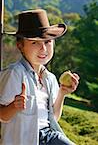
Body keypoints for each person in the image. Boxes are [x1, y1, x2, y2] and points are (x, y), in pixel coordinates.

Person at [0, 9, 79, 145]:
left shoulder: (50, 78)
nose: (43, 48)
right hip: (24, 140)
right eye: (34, 42)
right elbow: (2, 116)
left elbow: (53, 118)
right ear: (20, 46)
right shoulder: (15, 73)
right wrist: (13, 106)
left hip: (48, 137)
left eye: (48, 42)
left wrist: (62, 93)